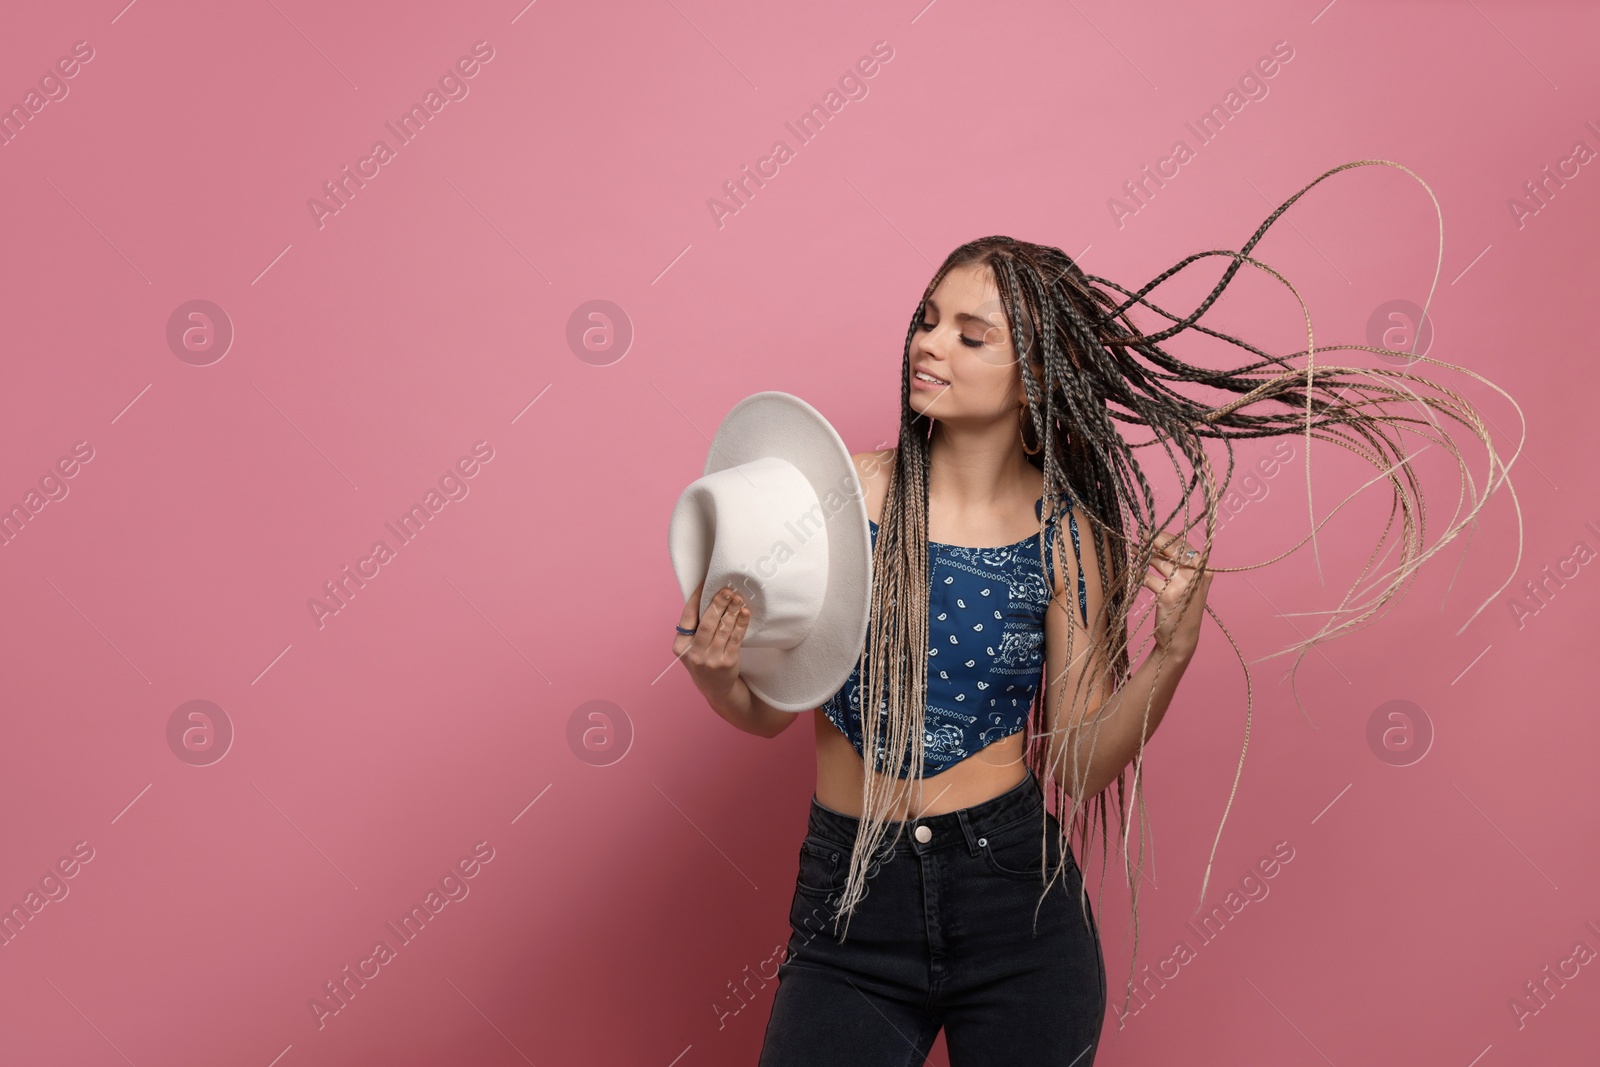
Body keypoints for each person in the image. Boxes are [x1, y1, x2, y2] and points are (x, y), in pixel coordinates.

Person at [672, 160, 1519, 1064]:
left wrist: (1171, 653)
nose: (929, 345)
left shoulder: (1068, 532)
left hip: (1013, 903)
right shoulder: (844, 493)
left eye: (971, 335)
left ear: (1035, 369)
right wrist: (720, 675)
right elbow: (771, 713)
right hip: (848, 902)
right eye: (927, 321)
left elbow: (1078, 762)